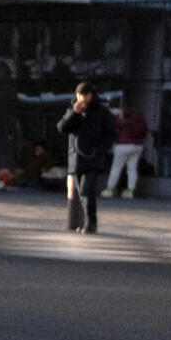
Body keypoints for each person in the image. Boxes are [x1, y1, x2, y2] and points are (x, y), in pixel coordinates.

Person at [58, 82, 116, 233]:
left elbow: (110, 134)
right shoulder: (73, 109)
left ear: (90, 95)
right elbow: (62, 127)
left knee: (86, 189)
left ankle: (90, 222)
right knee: (82, 192)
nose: (81, 98)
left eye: (84, 95)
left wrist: (100, 150)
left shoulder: (101, 112)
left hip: (93, 157)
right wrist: (74, 113)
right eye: (79, 95)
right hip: (77, 158)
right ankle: (88, 223)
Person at [107, 103, 149, 198]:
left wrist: (117, 114)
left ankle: (110, 188)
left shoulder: (122, 119)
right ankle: (131, 190)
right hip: (137, 146)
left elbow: (116, 123)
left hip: (123, 146)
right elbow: (144, 131)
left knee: (116, 168)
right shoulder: (139, 119)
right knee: (132, 169)